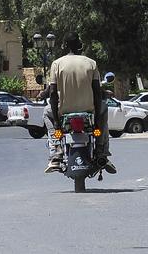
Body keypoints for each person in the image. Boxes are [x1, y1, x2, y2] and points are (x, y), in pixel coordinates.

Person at [44, 34, 115, 174]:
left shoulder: (57, 64)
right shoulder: (91, 63)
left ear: (64, 46)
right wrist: (96, 123)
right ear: (80, 45)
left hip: (64, 111)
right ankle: (102, 151)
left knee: (46, 112)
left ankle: (56, 151)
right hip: (88, 111)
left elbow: (52, 93)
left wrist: (57, 123)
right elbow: (96, 91)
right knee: (105, 110)